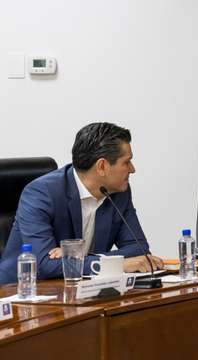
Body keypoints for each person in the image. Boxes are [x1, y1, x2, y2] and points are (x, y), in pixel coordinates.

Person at [0, 122, 163, 284]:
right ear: (102, 166)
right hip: (21, 292)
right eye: (126, 162)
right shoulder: (41, 193)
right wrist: (116, 264)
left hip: (78, 288)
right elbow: (44, 265)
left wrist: (79, 256)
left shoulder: (119, 192)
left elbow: (138, 249)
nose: (132, 169)